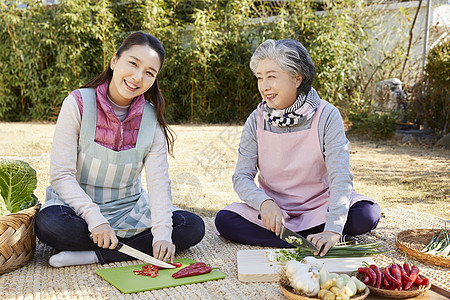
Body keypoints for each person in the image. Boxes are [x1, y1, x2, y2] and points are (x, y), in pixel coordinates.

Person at [35, 32, 205, 267]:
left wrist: (163, 233)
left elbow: (158, 182)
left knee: (191, 226)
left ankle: (96, 255)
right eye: (133, 64)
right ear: (115, 61)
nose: (137, 77)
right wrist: (95, 219)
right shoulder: (77, 103)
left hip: (129, 211)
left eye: (149, 73)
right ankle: (126, 247)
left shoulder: (151, 118)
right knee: (49, 224)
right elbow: (61, 175)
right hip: (77, 210)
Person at [215, 39, 381, 256]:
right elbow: (242, 177)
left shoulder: (326, 115)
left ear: (296, 78)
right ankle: (311, 242)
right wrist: (264, 203)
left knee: (366, 214)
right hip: (276, 213)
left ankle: (318, 237)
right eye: (259, 78)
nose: (264, 86)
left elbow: (340, 176)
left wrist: (332, 229)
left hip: (321, 208)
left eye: (272, 76)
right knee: (225, 220)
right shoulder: (255, 120)